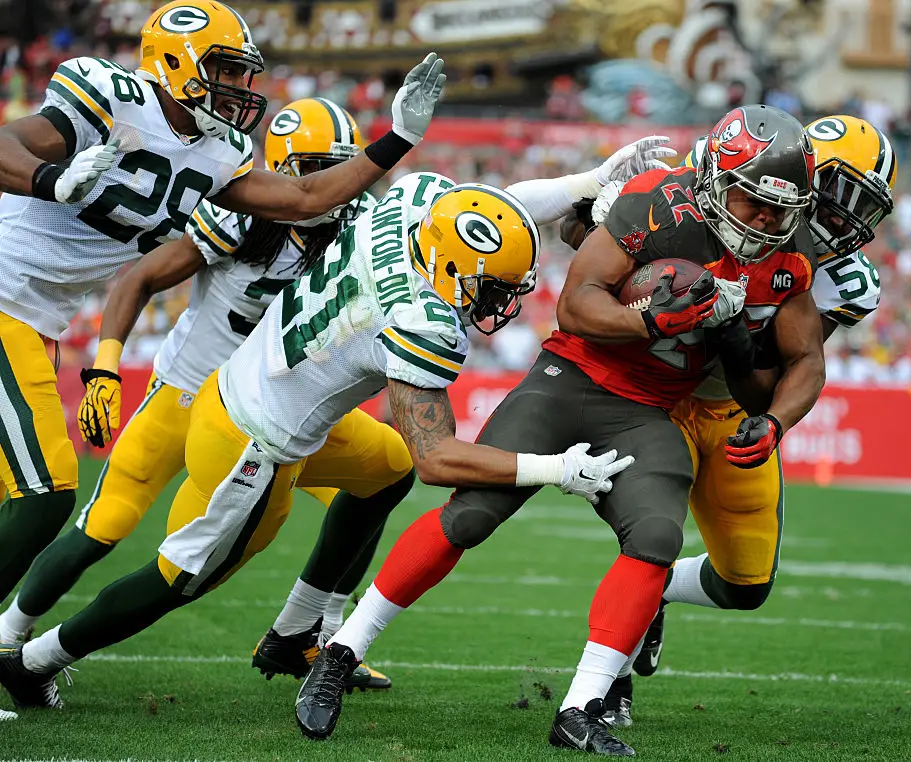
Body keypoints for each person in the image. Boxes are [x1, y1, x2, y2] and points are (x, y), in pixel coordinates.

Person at [0, 134, 678, 710]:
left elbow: (493, 210)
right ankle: (32, 659)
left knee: (385, 470)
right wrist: (557, 469)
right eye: (493, 288)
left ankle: (296, 632)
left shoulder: (416, 206)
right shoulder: (420, 319)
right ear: (449, 271)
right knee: (183, 577)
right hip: (256, 443)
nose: (498, 302)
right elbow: (442, 459)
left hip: (242, 387)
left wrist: (591, 179)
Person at [294, 105, 826, 757]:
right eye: (753, 204)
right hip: (568, 380)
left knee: (657, 535)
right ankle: (340, 653)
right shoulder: (659, 203)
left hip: (647, 412)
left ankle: (580, 710)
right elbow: (577, 302)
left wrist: (755, 379)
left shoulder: (789, 256)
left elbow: (803, 361)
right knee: (471, 516)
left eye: (780, 210)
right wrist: (654, 322)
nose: (766, 223)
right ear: (717, 180)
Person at [0, 0, 447, 604]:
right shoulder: (113, 94)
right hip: (13, 299)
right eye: (228, 69)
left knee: (35, 498)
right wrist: (48, 180)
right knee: (50, 498)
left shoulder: (218, 154)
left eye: (245, 73)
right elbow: (11, 143)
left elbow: (305, 197)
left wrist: (398, 138)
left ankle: (310, 624)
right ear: (178, 60)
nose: (241, 86)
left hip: (42, 319)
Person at [0, 97, 393, 691]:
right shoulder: (242, 215)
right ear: (285, 169)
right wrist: (106, 367)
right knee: (105, 525)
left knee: (387, 473)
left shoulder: (355, 230)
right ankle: (10, 636)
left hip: (270, 410)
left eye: (340, 167)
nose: (333, 183)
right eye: (317, 167)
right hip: (186, 396)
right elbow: (141, 277)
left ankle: (315, 633)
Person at [602, 115, 899, 728]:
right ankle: (607, 685)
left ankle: (656, 595)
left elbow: (780, 367)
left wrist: (772, 414)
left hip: (731, 404)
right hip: (655, 392)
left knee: (746, 583)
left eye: (861, 208)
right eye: (839, 197)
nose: (846, 221)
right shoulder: (707, 201)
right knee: (648, 540)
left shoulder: (848, 281)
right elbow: (615, 257)